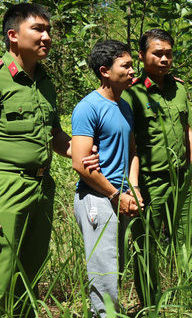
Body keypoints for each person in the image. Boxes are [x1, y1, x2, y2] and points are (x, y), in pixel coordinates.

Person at [0, 3, 97, 317]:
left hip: (42, 188)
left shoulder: (43, 82)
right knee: (2, 272)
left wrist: (80, 152)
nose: (47, 37)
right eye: (38, 30)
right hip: (6, 185)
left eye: (48, 30)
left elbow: (54, 133)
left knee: (30, 275)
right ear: (13, 35)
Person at [121, 29, 192, 306]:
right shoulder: (130, 93)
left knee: (189, 238)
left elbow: (187, 131)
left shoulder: (178, 88)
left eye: (169, 53)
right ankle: (150, 304)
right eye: (157, 53)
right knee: (147, 244)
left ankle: (190, 300)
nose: (164, 59)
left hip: (180, 177)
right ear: (142, 55)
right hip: (149, 180)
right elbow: (127, 140)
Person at [71, 40, 143, 317]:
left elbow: (133, 151)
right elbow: (80, 163)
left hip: (122, 196)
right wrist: (115, 195)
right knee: (104, 271)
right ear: (105, 71)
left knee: (116, 265)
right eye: (125, 66)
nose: (132, 70)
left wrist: (133, 189)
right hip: (98, 197)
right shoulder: (88, 107)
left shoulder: (123, 106)